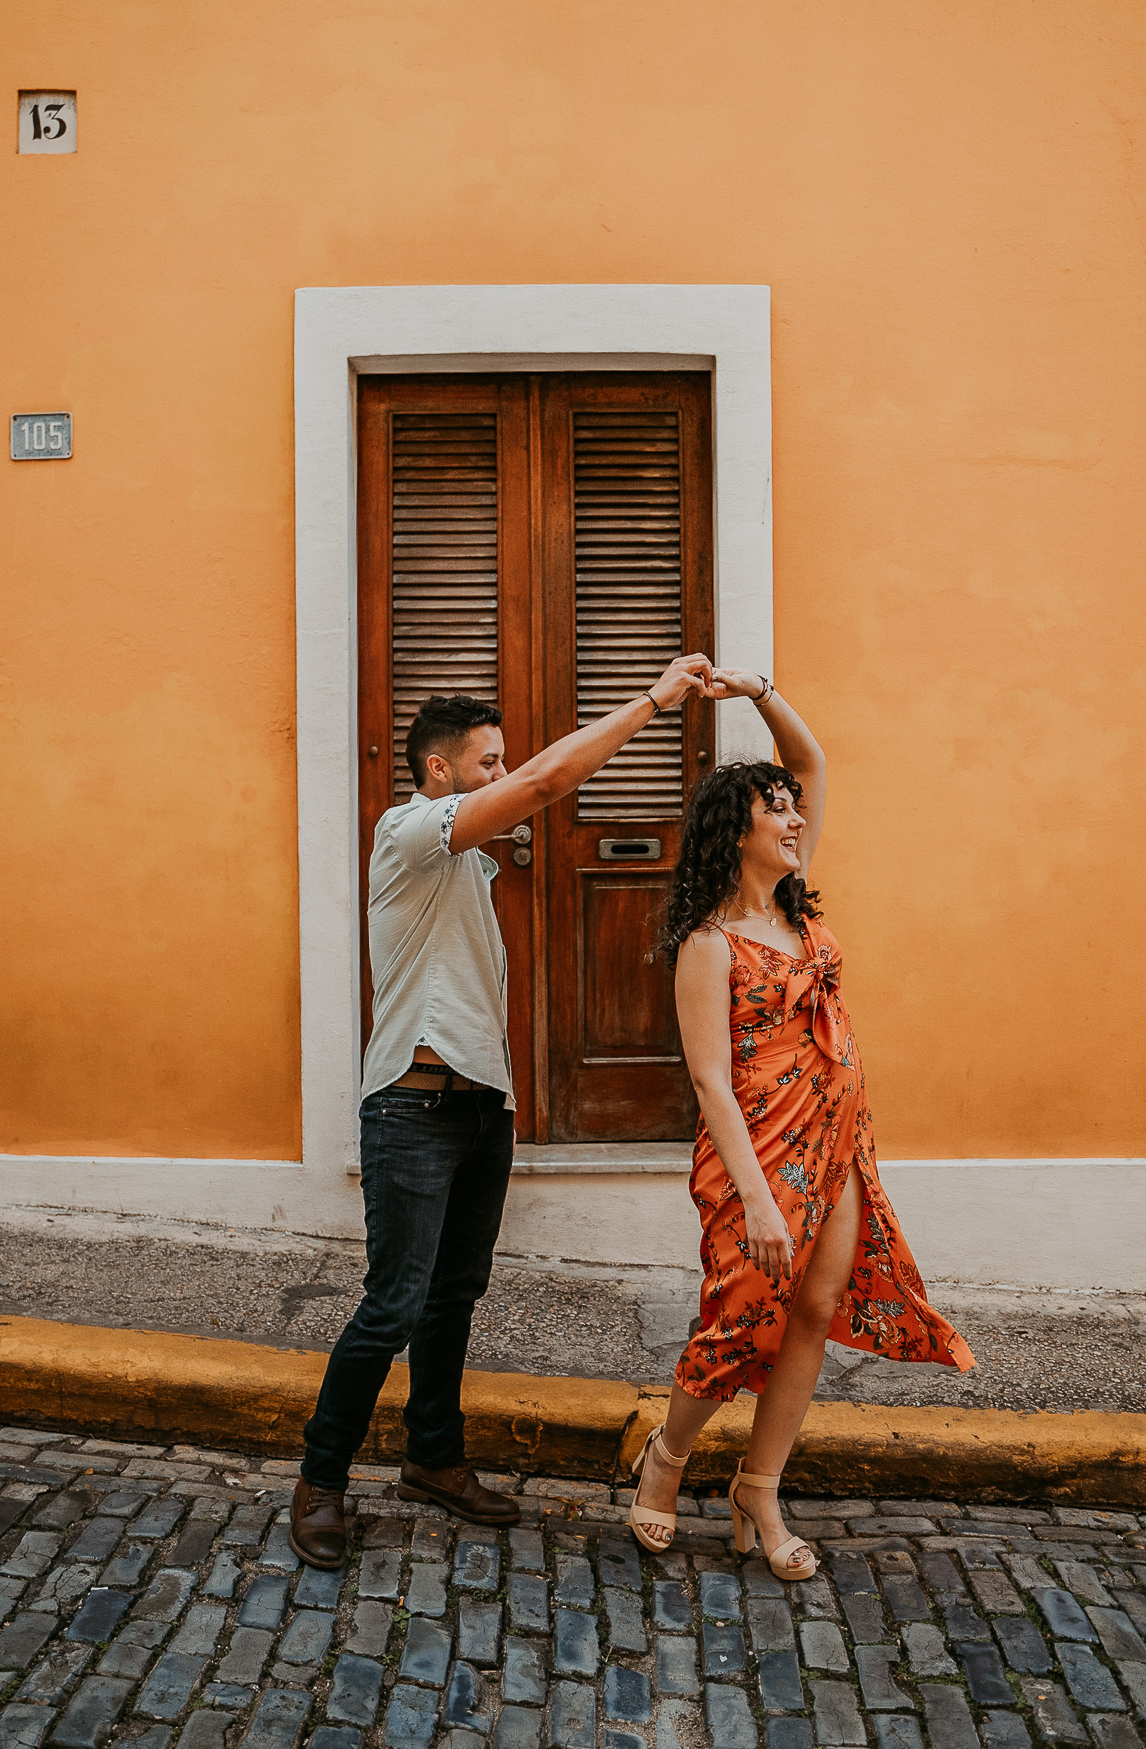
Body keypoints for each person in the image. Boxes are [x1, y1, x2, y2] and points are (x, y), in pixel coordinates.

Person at [290, 653, 716, 1569]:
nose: (501, 777)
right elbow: (548, 781)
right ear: (440, 771)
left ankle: (433, 1460)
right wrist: (653, 699)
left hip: (481, 1111)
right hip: (411, 1108)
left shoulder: (468, 871)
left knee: (453, 1296)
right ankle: (320, 1480)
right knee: (391, 1304)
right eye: (486, 763)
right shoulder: (406, 833)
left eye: (501, 763)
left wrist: (508, 1102)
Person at [628, 668, 974, 1575]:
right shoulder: (708, 944)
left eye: (793, 809)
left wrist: (757, 691)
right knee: (739, 1316)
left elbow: (812, 759)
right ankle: (664, 1461)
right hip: (759, 1156)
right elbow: (709, 1082)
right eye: (774, 810)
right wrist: (758, 1200)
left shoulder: (793, 903)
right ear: (734, 833)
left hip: (836, 1145)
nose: (793, 819)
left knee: (814, 1311)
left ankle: (759, 1488)